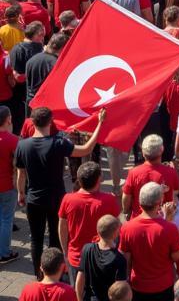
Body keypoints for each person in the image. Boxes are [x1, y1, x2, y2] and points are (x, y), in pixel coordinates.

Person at [16, 106, 106, 276]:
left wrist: (21, 193)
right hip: (56, 199)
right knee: (55, 239)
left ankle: (39, 276)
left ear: (32, 123)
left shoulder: (23, 145)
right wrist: (99, 124)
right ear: (50, 122)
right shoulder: (58, 142)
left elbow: (21, 174)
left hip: (33, 199)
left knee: (36, 240)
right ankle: (57, 273)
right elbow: (86, 149)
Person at [119, 181, 179, 301]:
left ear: (140, 201)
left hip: (138, 286)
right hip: (164, 286)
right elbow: (176, 257)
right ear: (159, 203)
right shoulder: (170, 228)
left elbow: (126, 260)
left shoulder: (127, 228)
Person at [58, 161, 121, 280]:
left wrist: (65, 251)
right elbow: (117, 227)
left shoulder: (67, 199)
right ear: (99, 180)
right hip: (103, 258)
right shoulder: (109, 200)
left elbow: (62, 228)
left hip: (75, 258)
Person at [76, 213, 128, 301]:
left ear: (97, 231)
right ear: (115, 234)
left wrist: (79, 299)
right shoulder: (119, 259)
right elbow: (120, 291)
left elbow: (80, 279)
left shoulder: (87, 249)